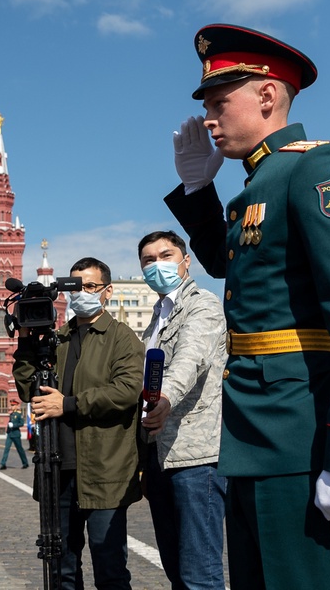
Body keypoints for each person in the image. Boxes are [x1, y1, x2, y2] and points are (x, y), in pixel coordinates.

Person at [163, 24, 330, 588]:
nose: (209, 120)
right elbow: (230, 263)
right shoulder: (261, 182)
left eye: (221, 102)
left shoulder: (316, 168)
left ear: (267, 95)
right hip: (255, 433)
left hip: (304, 436)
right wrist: (200, 193)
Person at [14, 257, 145, 589]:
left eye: (90, 286)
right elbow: (30, 390)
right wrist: (26, 343)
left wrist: (68, 404)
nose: (82, 293)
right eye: (75, 286)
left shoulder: (122, 338)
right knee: (62, 568)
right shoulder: (58, 339)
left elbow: (127, 392)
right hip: (58, 472)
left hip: (104, 472)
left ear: (107, 292)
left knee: (110, 568)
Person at [138, 231, 227, 590]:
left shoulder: (202, 304)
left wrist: (165, 399)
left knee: (199, 574)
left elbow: (192, 357)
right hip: (161, 454)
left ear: (186, 261)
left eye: (166, 255)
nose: (157, 265)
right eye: (148, 260)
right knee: (176, 570)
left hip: (195, 457)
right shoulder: (156, 319)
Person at [0, 399, 29, 470]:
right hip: (10, 434)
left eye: (13, 405)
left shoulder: (19, 414)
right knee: (6, 449)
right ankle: (3, 463)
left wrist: (13, 425)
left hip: (16, 434)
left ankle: (25, 463)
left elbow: (21, 423)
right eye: (11, 405)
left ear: (16, 406)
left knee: (20, 449)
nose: (12, 407)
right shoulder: (12, 414)